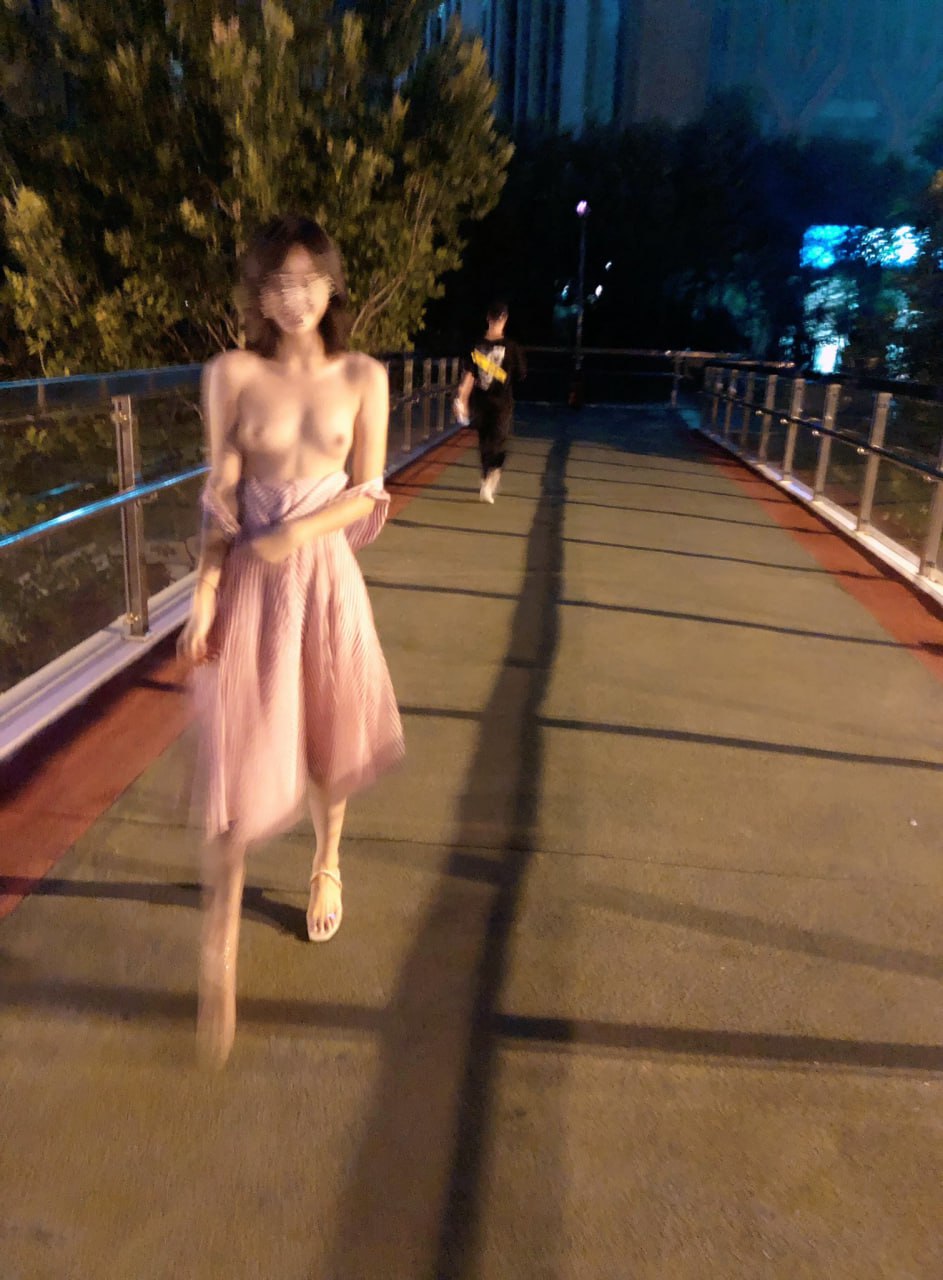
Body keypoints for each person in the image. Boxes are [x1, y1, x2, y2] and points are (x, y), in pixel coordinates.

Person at [177, 215, 405, 1068]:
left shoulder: (365, 376)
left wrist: (292, 536)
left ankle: (326, 861)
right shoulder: (231, 373)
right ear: (258, 294)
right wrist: (203, 594)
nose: (294, 296)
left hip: (322, 578)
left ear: (330, 285)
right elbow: (221, 495)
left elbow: (368, 491)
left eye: (308, 279)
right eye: (277, 282)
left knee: (325, 737)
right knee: (239, 753)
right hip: (250, 581)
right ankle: (220, 951)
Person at [454, 300, 526, 503]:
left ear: (489, 318)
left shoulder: (480, 346)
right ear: (504, 319)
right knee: (493, 442)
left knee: (490, 443)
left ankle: (488, 479)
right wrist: (462, 398)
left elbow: (470, 375)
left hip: (486, 402)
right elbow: (521, 374)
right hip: (496, 403)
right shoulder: (509, 347)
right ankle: (489, 478)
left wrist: (462, 398)